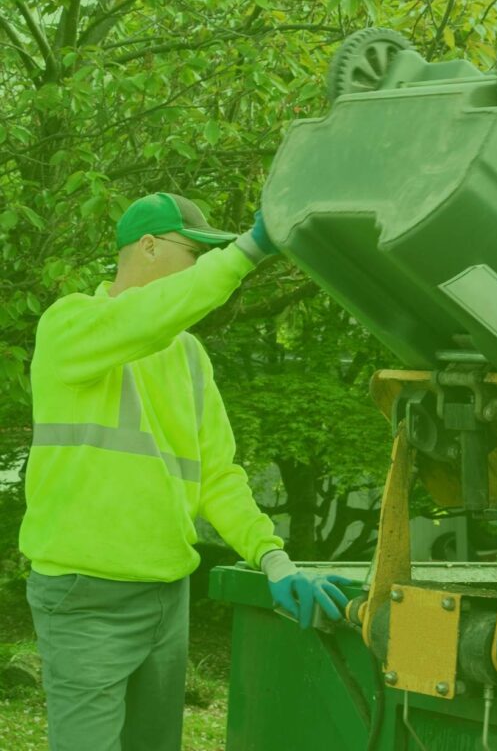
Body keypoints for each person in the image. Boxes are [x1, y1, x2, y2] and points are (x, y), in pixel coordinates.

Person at [19, 192, 349, 751]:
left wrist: (273, 558)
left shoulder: (189, 356)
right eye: (194, 253)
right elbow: (147, 316)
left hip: (167, 597)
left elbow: (218, 475)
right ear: (147, 247)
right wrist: (248, 251)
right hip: (84, 598)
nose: (201, 267)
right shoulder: (69, 325)